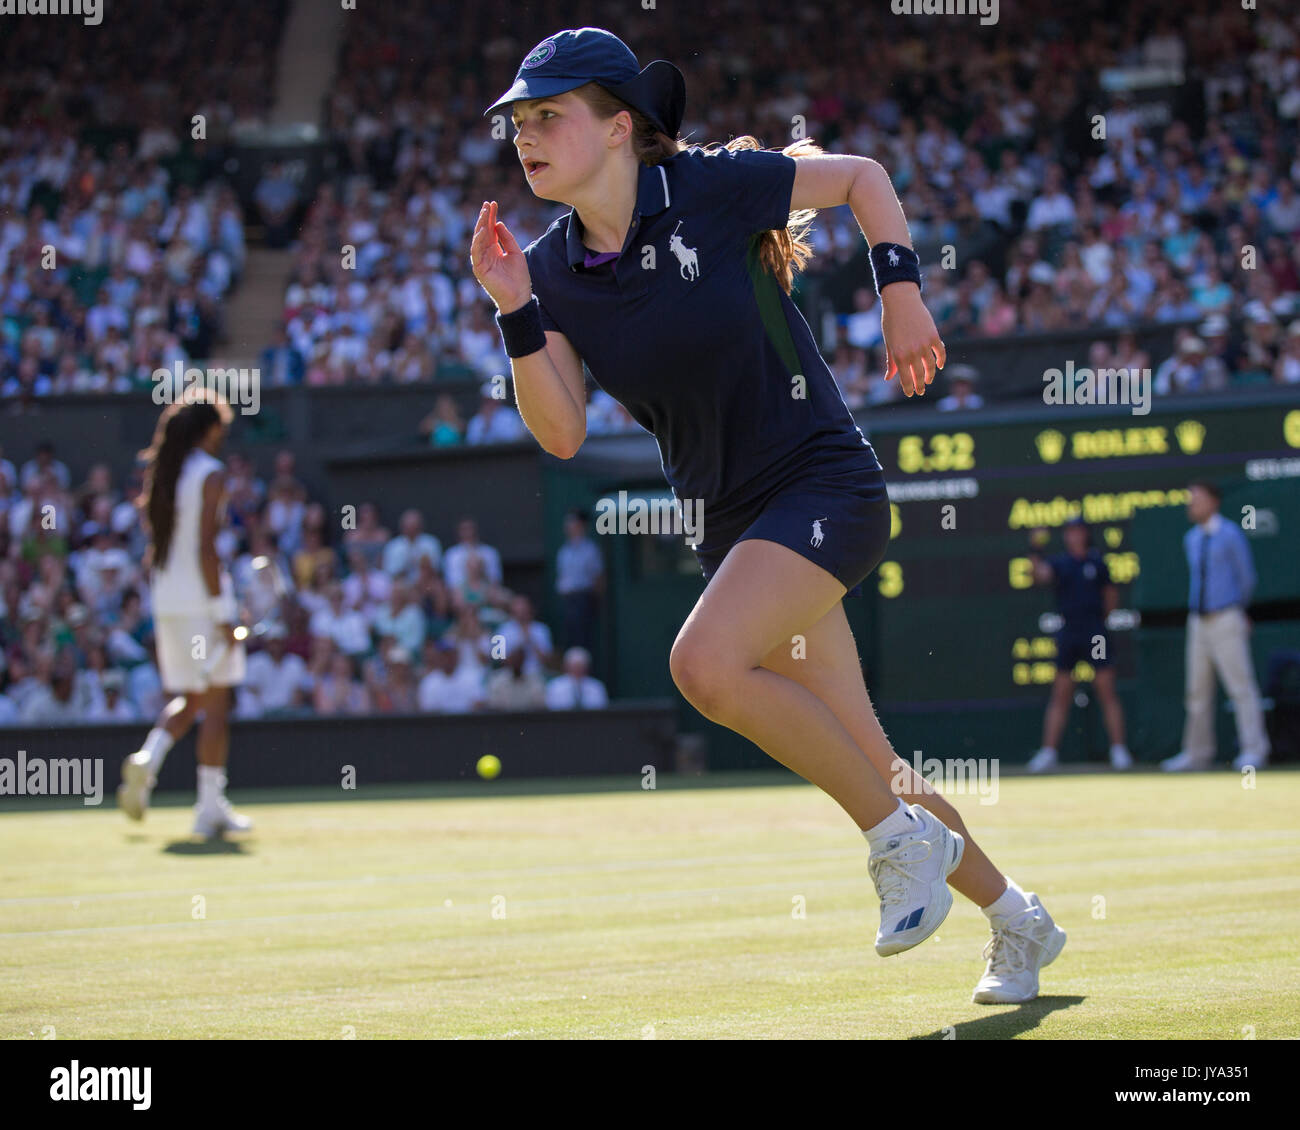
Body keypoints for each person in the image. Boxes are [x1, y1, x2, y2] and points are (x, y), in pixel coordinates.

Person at [472, 27, 1065, 1004]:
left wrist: (902, 293)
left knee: (702, 666)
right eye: (519, 122)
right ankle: (1017, 919)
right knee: (876, 760)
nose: (526, 137)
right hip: (733, 528)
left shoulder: (710, 185)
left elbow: (864, 176)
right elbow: (563, 432)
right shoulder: (546, 270)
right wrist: (513, 311)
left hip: (823, 483)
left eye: (549, 116)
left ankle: (891, 840)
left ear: (620, 127)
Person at [116, 392, 253, 838]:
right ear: (210, 430)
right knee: (215, 703)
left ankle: (148, 760)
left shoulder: (166, 475)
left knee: (193, 696)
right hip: (201, 602)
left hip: (167, 602)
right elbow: (206, 549)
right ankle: (209, 808)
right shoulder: (210, 474)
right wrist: (221, 613)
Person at [1162, 481, 1270, 771]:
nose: (1191, 504)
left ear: (1213, 502)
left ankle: (1254, 750)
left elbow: (1246, 577)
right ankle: (1197, 753)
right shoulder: (1191, 539)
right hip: (1198, 622)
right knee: (1196, 691)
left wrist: (1237, 609)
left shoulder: (1231, 534)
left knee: (1241, 687)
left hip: (1226, 618)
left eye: (1196, 499)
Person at [1025, 519, 1133, 772]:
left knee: (1106, 690)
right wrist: (1035, 548)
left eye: (1077, 531)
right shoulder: (1060, 563)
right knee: (1061, 693)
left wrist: (1098, 622)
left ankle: (1119, 750)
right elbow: (1038, 574)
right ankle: (1048, 753)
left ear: (1085, 534)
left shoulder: (1098, 562)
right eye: (1069, 532)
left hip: (1095, 631)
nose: (1073, 536)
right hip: (1069, 632)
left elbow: (1110, 597)